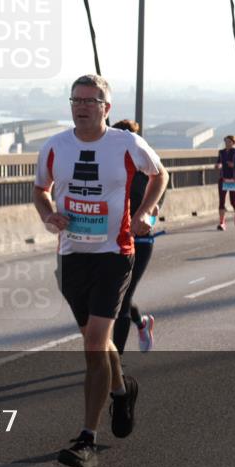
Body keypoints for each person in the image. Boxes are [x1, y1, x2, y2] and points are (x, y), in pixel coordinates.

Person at [34, 75, 168, 467]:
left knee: (94, 342)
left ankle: (87, 439)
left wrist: (143, 213)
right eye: (76, 99)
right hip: (72, 255)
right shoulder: (55, 146)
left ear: (106, 108)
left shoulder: (126, 144)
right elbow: (41, 188)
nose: (82, 106)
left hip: (114, 253)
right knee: (99, 341)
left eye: (91, 101)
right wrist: (48, 214)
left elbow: (160, 175)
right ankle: (122, 389)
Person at [110, 119, 158, 354]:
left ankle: (114, 361)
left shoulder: (148, 170)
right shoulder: (108, 166)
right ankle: (142, 323)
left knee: (124, 296)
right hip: (111, 240)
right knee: (114, 297)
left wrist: (144, 220)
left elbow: (155, 210)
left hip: (139, 241)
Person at [215, 135, 235, 231]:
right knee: (221, 202)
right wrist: (218, 166)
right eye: (225, 141)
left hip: (233, 180)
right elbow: (219, 162)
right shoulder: (221, 152)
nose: (227, 143)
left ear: (233, 143)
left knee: (233, 201)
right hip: (223, 179)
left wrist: (234, 165)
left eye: (229, 142)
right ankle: (222, 223)